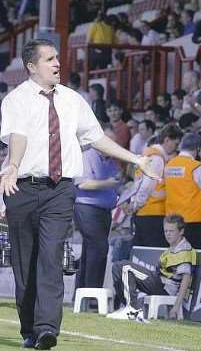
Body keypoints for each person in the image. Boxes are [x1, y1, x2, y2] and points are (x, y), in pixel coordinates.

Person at [0, 39, 157, 350]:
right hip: (22, 188)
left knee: (52, 257)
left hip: (60, 189)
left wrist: (136, 159)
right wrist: (13, 165)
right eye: (49, 59)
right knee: (25, 266)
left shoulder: (73, 100)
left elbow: (97, 138)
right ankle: (29, 327)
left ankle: (47, 330)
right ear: (32, 67)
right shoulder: (15, 100)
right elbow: (18, 136)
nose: (58, 63)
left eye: (57, 58)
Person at [107, 214, 196, 321]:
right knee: (117, 267)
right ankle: (126, 307)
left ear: (181, 231)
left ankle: (132, 309)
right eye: (166, 231)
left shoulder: (184, 250)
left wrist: (176, 305)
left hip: (165, 288)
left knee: (126, 267)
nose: (168, 234)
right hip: (157, 282)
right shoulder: (172, 248)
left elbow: (186, 279)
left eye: (171, 231)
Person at [74, 124, 121, 289]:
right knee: (99, 247)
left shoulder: (112, 162)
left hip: (104, 211)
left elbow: (117, 183)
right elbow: (83, 184)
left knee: (90, 251)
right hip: (87, 208)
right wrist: (107, 183)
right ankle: (93, 292)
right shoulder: (87, 157)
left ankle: (82, 294)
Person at [131, 124, 183, 247]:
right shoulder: (157, 158)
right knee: (153, 253)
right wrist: (137, 204)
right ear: (167, 140)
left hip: (144, 212)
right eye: (175, 144)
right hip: (152, 212)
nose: (176, 148)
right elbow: (147, 184)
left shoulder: (147, 154)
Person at [165, 133, 201, 248]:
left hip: (173, 219)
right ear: (198, 149)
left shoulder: (169, 165)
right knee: (193, 256)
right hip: (193, 219)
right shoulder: (196, 166)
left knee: (175, 253)